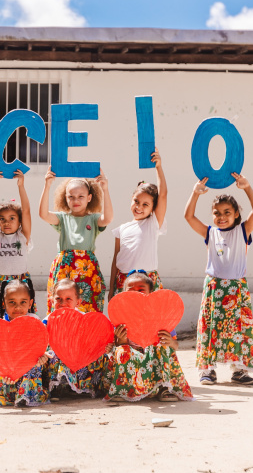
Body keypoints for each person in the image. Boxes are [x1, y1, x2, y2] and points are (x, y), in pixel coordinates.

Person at [184, 172, 253, 385]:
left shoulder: (243, 230)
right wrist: (195, 193)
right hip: (214, 287)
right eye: (217, 213)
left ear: (237, 213)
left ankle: (239, 370)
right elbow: (189, 217)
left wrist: (247, 187)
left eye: (227, 212)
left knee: (239, 330)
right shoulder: (210, 233)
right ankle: (207, 371)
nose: (222, 216)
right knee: (210, 328)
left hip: (237, 288)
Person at [101, 272, 193, 402]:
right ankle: (122, 390)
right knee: (122, 351)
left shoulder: (161, 317)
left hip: (153, 369)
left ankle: (164, 387)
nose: (136, 294)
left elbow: (175, 346)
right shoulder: (120, 318)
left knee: (163, 346)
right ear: (123, 294)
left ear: (151, 294)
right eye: (131, 291)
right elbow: (114, 348)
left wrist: (170, 342)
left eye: (141, 290)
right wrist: (120, 342)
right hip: (132, 374)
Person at [39, 170, 113, 313]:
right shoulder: (62, 218)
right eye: (71, 197)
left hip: (88, 270)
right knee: (62, 308)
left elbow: (108, 218)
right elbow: (43, 214)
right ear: (65, 198)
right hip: (64, 268)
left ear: (89, 198)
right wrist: (47, 186)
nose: (76, 200)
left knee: (88, 308)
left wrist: (105, 188)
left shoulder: (93, 219)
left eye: (81, 196)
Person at [0, 280, 50, 407]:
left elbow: (40, 349)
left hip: (28, 367)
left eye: (23, 302)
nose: (18, 307)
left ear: (30, 303)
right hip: (4, 370)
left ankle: (26, 396)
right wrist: (3, 368)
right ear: (4, 304)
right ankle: (5, 395)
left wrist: (43, 358)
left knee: (33, 367)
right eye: (12, 302)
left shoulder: (36, 324)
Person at [109, 150, 168, 297]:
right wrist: (111, 290)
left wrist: (158, 167)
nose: (139, 207)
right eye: (136, 201)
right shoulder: (121, 230)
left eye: (145, 204)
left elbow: (163, 194)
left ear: (153, 208)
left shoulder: (153, 224)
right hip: (123, 281)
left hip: (147, 281)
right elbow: (115, 260)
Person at [46, 279, 109, 398]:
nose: (63, 303)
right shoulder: (49, 320)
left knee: (100, 355)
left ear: (78, 302)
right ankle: (58, 386)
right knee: (53, 353)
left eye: (68, 299)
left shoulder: (84, 319)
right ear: (52, 300)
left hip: (80, 358)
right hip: (58, 357)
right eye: (58, 299)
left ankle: (86, 387)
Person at [0, 169, 35, 318]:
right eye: (3, 219)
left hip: (21, 281)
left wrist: (21, 186)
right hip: (0, 282)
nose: (6, 222)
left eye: (12, 218)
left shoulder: (22, 236)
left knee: (22, 320)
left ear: (20, 221)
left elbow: (26, 211)